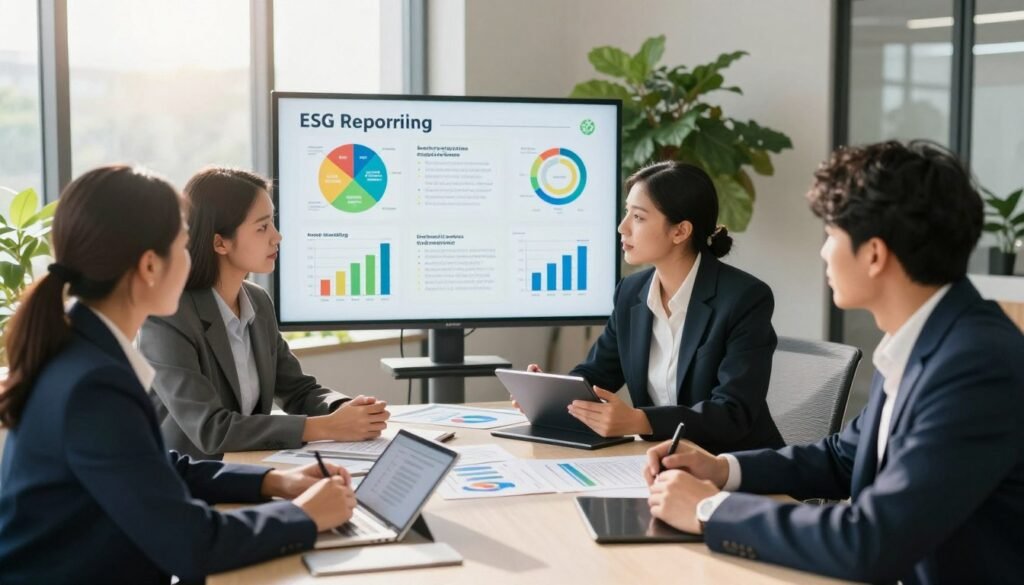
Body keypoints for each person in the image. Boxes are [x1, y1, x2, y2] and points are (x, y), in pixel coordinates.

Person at [644, 141, 1024, 584]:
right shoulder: (924, 338)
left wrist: (710, 509)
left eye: (832, 236)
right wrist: (721, 469)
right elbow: (845, 458)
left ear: (874, 254)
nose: (824, 252)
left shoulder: (976, 365)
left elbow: (872, 540)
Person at [0, 165, 356, 584]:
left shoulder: (84, 352)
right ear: (150, 266)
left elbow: (157, 466)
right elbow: (193, 544)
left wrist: (276, 482)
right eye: (184, 245)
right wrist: (303, 516)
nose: (192, 260)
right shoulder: (93, 385)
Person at [529, 161, 784, 451]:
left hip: (735, 464)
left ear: (680, 231)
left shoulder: (744, 298)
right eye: (627, 212)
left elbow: (732, 413)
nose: (622, 227)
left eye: (638, 217)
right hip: (660, 459)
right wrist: (550, 397)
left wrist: (641, 421)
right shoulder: (630, 292)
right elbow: (597, 374)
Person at [138, 167, 389, 460]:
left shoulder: (257, 301)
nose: (277, 236)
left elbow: (296, 389)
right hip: (192, 478)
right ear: (220, 242)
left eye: (273, 222)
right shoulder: (167, 316)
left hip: (250, 466)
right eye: (262, 227)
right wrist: (326, 427)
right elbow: (210, 429)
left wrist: (345, 409)